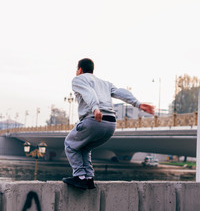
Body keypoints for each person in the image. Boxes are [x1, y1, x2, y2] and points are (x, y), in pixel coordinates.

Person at [62, 58, 154, 189]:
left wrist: (95, 108)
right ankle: (89, 178)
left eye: (76, 69)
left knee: (70, 144)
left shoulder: (78, 79)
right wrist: (137, 103)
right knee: (84, 147)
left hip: (94, 120)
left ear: (80, 69)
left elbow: (89, 93)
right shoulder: (105, 83)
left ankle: (79, 177)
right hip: (111, 124)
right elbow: (120, 92)